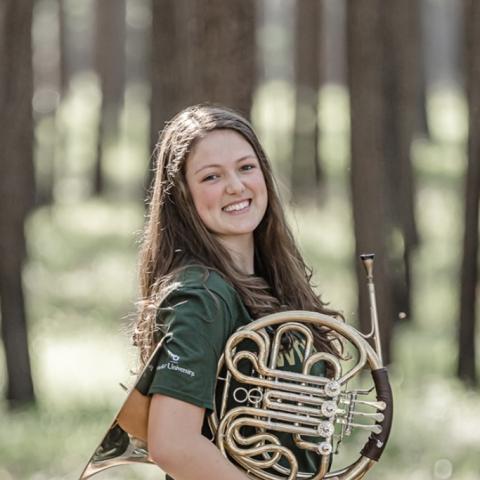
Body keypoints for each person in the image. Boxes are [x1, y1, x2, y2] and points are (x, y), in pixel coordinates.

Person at [133, 104, 340, 479]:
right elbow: (172, 444)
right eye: (211, 177)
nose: (236, 186)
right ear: (182, 195)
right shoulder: (201, 296)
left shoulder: (266, 281)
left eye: (246, 167)